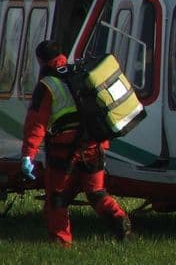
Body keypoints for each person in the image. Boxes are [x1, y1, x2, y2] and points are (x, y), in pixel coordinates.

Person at [20, 40, 132, 248]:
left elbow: (36, 123)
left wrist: (28, 155)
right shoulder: (80, 73)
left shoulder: (47, 85)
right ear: (62, 54)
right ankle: (119, 220)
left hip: (64, 151)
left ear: (40, 60)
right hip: (93, 146)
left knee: (57, 198)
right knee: (96, 192)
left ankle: (61, 243)